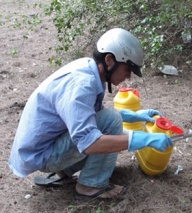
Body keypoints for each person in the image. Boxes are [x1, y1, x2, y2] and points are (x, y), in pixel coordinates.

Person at [8, 28, 174, 202]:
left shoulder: (89, 69)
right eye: (127, 69)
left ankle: (65, 170)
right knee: (112, 121)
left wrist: (134, 115)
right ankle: (89, 186)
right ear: (110, 60)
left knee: (111, 119)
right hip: (43, 155)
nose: (128, 76)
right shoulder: (82, 84)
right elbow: (90, 143)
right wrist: (144, 140)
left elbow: (90, 114)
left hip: (45, 147)